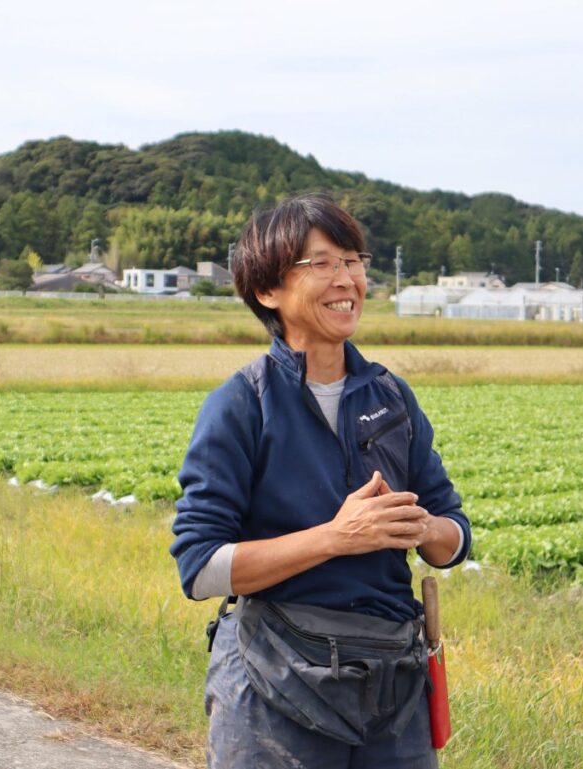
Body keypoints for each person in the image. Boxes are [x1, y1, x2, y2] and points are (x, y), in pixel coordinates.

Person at [170, 194, 472, 769]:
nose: (347, 279)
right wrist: (337, 536)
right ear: (268, 291)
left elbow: (454, 537)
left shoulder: (392, 398)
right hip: (275, 676)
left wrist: (425, 527)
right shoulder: (241, 404)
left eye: (354, 261)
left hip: (393, 678)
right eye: (323, 263)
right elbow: (200, 568)